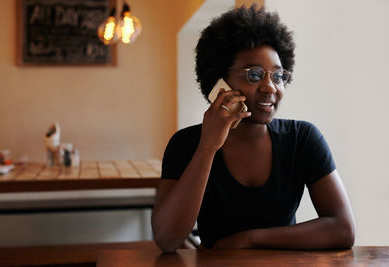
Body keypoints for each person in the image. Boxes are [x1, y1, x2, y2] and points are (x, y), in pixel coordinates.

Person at [151, 5, 355, 253]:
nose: (271, 87)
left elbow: (342, 229)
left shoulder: (302, 139)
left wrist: (250, 239)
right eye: (254, 75)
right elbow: (167, 239)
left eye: (278, 76)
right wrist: (208, 147)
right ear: (220, 82)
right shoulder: (186, 144)